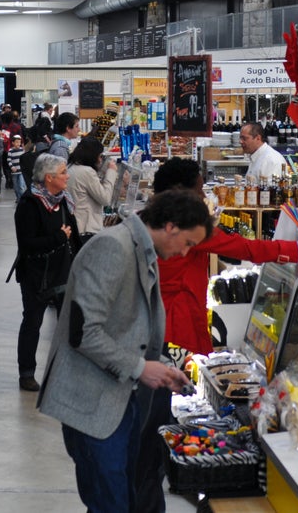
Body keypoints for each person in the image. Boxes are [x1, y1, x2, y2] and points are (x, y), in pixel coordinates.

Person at [134, 158, 298, 513]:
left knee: (149, 421)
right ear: (184, 191)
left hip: (149, 325)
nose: (203, 189)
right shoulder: (190, 228)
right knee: (157, 423)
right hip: (176, 326)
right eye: (198, 184)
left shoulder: (150, 222)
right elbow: (247, 250)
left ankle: (148, 483)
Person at [38, 189, 205, 512]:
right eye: (187, 243)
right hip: (91, 404)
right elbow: (82, 332)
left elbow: (124, 326)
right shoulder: (113, 247)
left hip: (118, 397)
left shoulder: (140, 249)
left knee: (123, 499)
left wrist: (154, 366)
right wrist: (141, 368)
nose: (185, 253)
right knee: (110, 504)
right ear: (170, 226)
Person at [12, 154, 82, 393]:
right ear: (49, 177)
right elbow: (28, 244)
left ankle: (66, 371)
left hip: (62, 271)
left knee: (67, 326)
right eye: (63, 172)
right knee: (33, 322)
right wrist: (58, 238)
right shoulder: (29, 205)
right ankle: (27, 373)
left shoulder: (64, 201)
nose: (67, 176)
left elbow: (75, 235)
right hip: (36, 276)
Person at [67, 137, 119, 244]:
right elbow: (105, 198)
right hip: (86, 228)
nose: (100, 160)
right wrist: (111, 172)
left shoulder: (71, 166)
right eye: (99, 156)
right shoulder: (86, 172)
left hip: (76, 226)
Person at [7, 134, 27, 200]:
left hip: (21, 171)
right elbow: (9, 160)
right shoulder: (10, 151)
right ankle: (18, 198)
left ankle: (22, 199)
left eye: (19, 142)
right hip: (14, 172)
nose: (18, 144)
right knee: (15, 187)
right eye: (17, 142)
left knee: (21, 186)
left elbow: (24, 160)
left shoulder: (22, 150)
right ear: (13, 143)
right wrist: (12, 167)